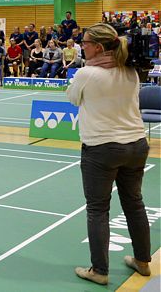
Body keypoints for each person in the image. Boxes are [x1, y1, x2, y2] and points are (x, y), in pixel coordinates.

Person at [68, 23, 152, 285]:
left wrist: (79, 77)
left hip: (102, 149)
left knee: (98, 209)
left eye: (85, 42)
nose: (82, 45)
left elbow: (72, 99)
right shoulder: (130, 71)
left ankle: (100, 271)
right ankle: (142, 261)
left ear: (99, 47)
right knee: (135, 204)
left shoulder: (87, 73)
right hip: (136, 146)